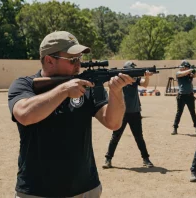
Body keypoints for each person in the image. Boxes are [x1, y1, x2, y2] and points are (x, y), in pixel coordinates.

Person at [8, 31, 134, 198]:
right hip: (37, 191)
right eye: (73, 60)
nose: (78, 65)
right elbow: (25, 115)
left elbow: (113, 123)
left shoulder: (87, 84)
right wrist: (64, 91)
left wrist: (116, 91)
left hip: (85, 188)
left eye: (80, 59)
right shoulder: (25, 85)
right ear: (49, 60)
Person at [102, 61, 154, 169]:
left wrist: (147, 77)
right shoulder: (119, 79)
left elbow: (144, 84)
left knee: (139, 137)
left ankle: (146, 159)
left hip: (135, 112)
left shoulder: (135, 79)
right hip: (121, 113)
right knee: (116, 136)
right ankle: (108, 159)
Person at [172, 60, 196, 135]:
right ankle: (175, 128)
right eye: (186, 67)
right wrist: (190, 69)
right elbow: (182, 73)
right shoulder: (179, 73)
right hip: (181, 96)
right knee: (179, 112)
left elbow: (195, 75)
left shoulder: (189, 74)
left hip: (190, 95)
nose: (188, 69)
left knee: (192, 112)